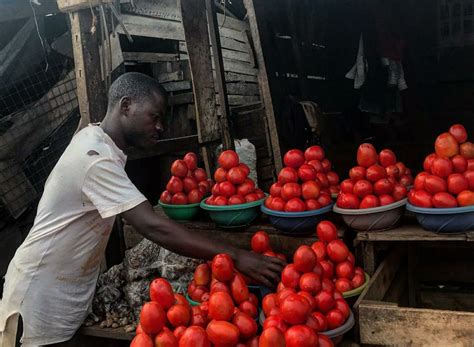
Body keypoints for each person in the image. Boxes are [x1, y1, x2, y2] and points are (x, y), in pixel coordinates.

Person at [0, 72, 285, 346]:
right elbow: (151, 225)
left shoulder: (98, 143)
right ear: (126, 106)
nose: (160, 126)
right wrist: (235, 256)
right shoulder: (95, 157)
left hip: (62, 300)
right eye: (155, 116)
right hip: (38, 303)